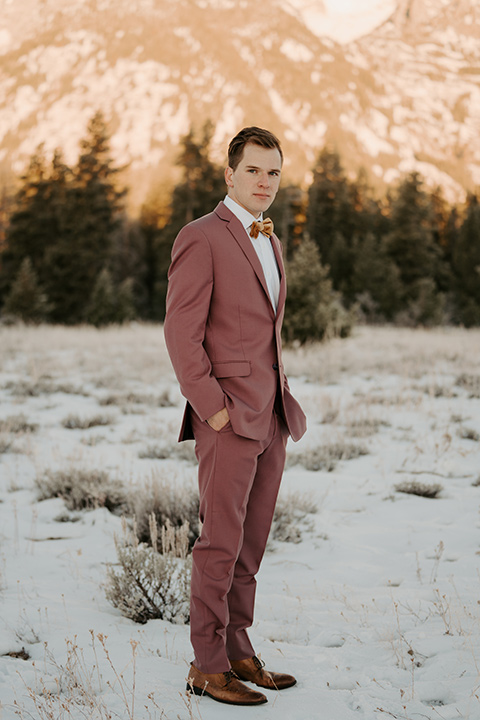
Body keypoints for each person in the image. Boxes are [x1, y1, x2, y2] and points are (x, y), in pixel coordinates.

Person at [164, 126, 307, 706]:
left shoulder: (270, 239)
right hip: (226, 418)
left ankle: (239, 650)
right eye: (253, 171)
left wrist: (275, 404)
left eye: (273, 172)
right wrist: (214, 411)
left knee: (252, 543)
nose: (264, 182)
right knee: (220, 543)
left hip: (270, 415)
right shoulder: (202, 236)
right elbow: (181, 332)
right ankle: (207, 663)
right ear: (229, 174)